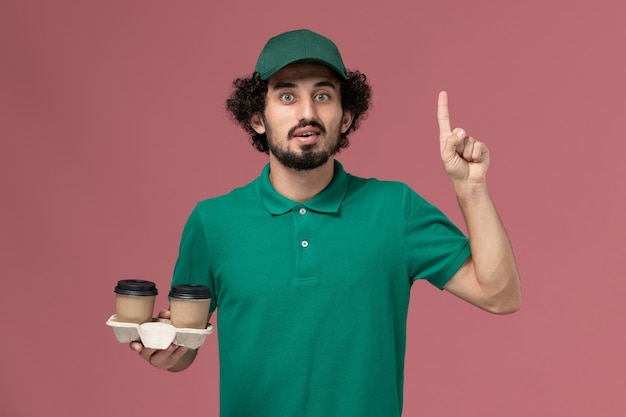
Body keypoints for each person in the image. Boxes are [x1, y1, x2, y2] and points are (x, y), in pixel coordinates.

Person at [130, 29, 521, 416]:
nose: (307, 113)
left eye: (322, 95)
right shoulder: (212, 221)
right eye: (287, 96)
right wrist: (166, 353)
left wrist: (471, 189)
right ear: (257, 119)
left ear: (346, 116)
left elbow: (500, 295)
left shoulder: (395, 208)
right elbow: (183, 349)